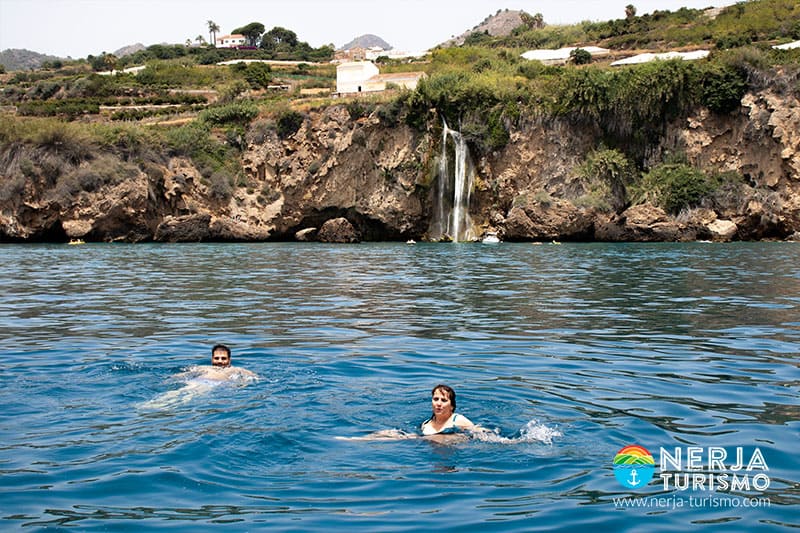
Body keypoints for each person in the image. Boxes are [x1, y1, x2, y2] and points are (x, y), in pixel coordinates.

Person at [182, 344, 258, 382]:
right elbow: (184, 375)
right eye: (216, 358)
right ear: (212, 359)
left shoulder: (236, 369)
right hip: (196, 381)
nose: (220, 361)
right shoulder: (202, 368)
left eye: (223, 358)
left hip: (216, 384)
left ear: (229, 360)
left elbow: (255, 377)